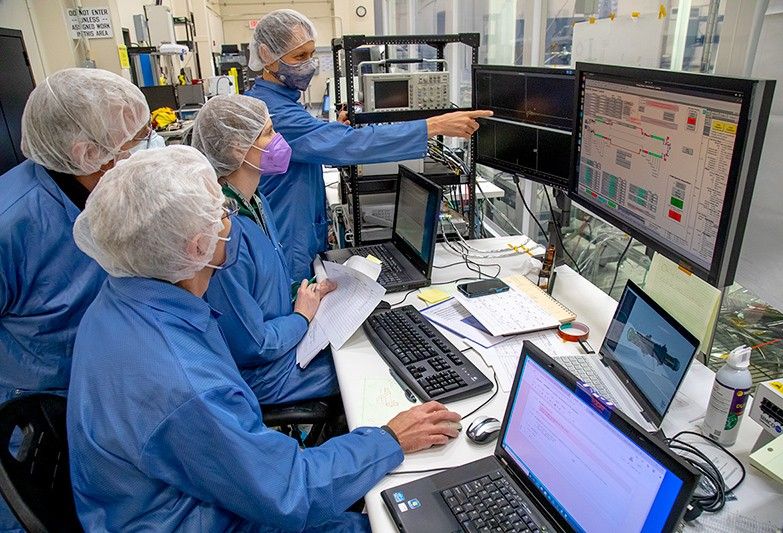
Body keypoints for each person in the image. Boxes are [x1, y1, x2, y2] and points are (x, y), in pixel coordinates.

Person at [67, 146, 462, 531]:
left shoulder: (120, 300)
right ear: (197, 246)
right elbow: (290, 492)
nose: (229, 219)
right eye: (221, 214)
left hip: (175, 498)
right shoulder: (184, 383)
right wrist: (390, 439)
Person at [0, 67, 150, 531]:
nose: (136, 157)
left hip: (96, 393)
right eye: (127, 148)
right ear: (85, 153)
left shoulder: (99, 190)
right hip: (33, 410)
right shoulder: (13, 222)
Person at [247, 9, 493, 281]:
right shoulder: (274, 112)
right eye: (299, 57)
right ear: (267, 55)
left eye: (311, 54)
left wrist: (329, 131)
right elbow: (348, 144)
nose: (310, 64)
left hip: (296, 232)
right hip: (290, 240)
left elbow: (309, 143)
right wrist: (432, 126)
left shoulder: (279, 101)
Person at [192, 94, 339, 404]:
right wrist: (301, 318)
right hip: (262, 374)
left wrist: (308, 294)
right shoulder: (224, 229)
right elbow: (252, 344)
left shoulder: (254, 200)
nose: (279, 140)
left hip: (282, 342)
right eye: (269, 132)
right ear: (237, 148)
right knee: (357, 368)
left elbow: (265, 288)